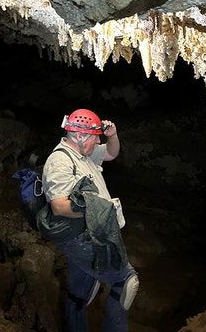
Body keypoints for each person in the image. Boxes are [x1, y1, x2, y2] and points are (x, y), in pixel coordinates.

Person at [42, 108, 139, 332]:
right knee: (126, 281)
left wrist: (112, 135)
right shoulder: (60, 161)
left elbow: (112, 154)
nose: (98, 140)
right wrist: (100, 210)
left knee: (80, 292)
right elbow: (59, 206)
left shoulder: (84, 153)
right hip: (81, 237)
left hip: (87, 233)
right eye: (94, 136)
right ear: (79, 136)